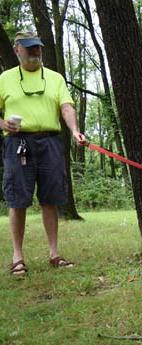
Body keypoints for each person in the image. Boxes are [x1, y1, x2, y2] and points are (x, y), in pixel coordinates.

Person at [0, 31, 86, 276]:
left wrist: (74, 131)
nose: (35, 52)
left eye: (38, 47)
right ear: (17, 49)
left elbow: (66, 106)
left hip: (50, 143)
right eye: (29, 48)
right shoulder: (4, 79)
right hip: (17, 144)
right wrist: (4, 125)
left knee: (51, 198)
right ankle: (17, 257)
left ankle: (54, 254)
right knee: (18, 200)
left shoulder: (55, 78)